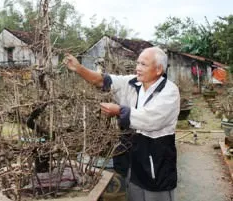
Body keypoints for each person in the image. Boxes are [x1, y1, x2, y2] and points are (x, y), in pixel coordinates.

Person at [63, 47, 180, 201]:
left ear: (158, 69)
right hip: (134, 157)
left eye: (143, 64)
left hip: (156, 158)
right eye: (137, 63)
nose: (137, 68)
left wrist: (119, 111)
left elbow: (150, 120)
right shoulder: (132, 83)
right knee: (134, 193)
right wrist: (78, 68)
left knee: (155, 194)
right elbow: (101, 80)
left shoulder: (169, 91)